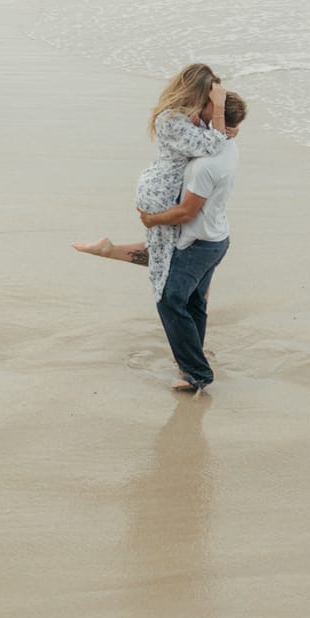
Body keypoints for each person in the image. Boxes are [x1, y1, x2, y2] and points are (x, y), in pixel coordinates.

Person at [75, 66, 244, 394]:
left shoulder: (198, 137)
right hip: (171, 204)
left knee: (170, 284)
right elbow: (211, 143)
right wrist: (220, 119)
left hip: (183, 217)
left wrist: (221, 118)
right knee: (172, 277)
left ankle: (194, 370)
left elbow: (189, 201)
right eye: (211, 97)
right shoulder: (184, 127)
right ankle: (192, 368)